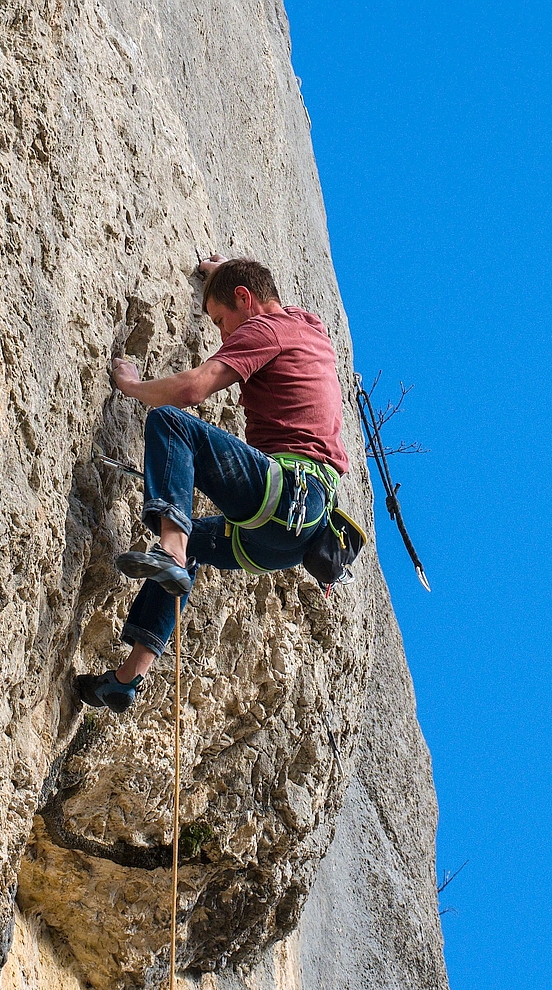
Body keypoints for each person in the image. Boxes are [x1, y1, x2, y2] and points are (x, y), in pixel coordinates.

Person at [75, 255, 349, 712]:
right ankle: (127, 678)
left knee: (171, 423)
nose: (224, 336)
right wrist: (222, 273)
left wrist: (133, 386)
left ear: (245, 300)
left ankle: (172, 547)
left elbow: (192, 391)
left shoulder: (266, 330)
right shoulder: (312, 329)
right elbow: (261, 291)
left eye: (222, 321)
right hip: (287, 543)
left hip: (288, 492)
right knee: (200, 547)